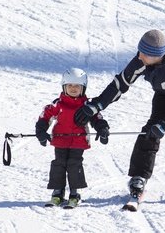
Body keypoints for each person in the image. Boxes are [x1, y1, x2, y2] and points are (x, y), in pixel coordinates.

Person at [74, 29, 165, 199]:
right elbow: (120, 84)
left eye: (144, 54)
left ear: (156, 55)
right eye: (140, 52)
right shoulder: (142, 58)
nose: (139, 57)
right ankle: (139, 176)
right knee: (151, 128)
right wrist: (97, 105)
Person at [35, 67, 110, 207]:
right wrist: (41, 130)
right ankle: (57, 192)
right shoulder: (58, 104)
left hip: (78, 140)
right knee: (59, 164)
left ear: (83, 88)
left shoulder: (87, 106)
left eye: (77, 86)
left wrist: (102, 128)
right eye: (70, 85)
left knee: (74, 164)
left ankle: (75, 193)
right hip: (60, 140)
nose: (73, 88)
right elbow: (45, 116)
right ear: (64, 86)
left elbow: (96, 118)